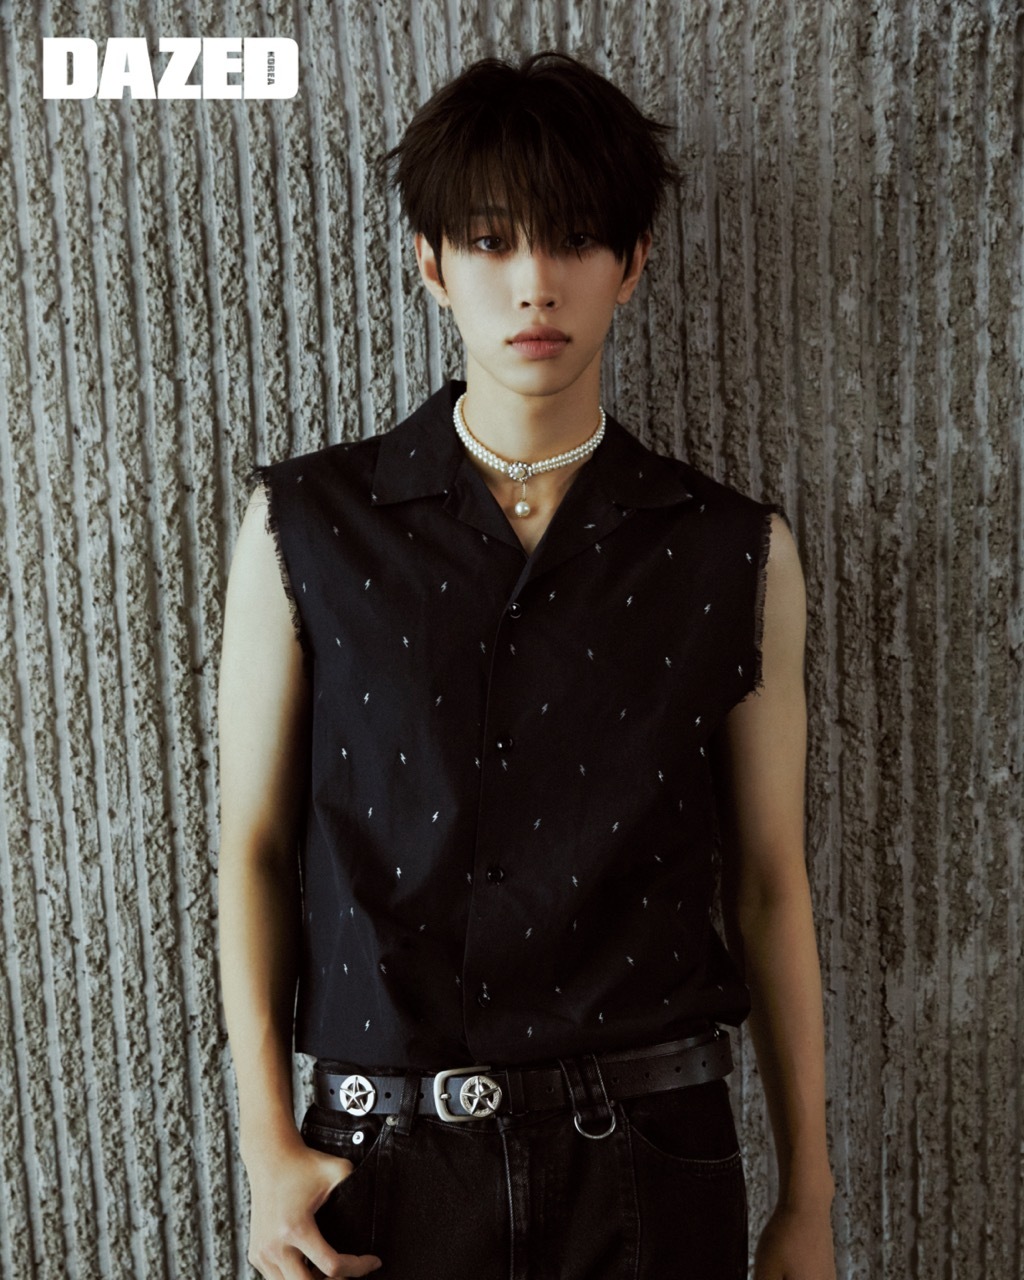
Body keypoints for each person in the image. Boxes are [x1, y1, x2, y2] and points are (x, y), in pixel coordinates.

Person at [218, 51, 836, 1280]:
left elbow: (770, 882)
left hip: (650, 1161)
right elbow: (255, 846)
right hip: (378, 1169)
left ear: (633, 262)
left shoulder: (731, 549)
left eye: (574, 239)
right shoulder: (306, 525)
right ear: (430, 262)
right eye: (492, 241)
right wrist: (265, 1142)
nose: (535, 283)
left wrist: (807, 1197)